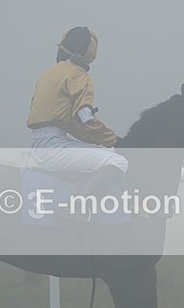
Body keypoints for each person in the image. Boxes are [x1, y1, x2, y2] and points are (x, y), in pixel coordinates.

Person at [27, 26, 128, 197]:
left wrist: (98, 140)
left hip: (41, 142)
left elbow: (70, 123)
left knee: (101, 152)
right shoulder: (78, 75)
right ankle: (78, 205)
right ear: (89, 55)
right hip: (54, 146)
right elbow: (85, 117)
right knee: (117, 160)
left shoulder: (49, 74)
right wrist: (115, 141)